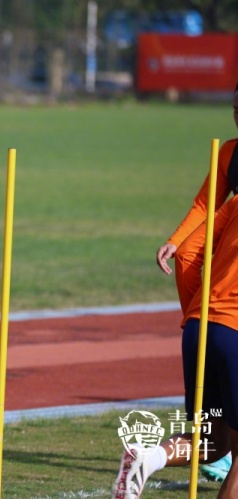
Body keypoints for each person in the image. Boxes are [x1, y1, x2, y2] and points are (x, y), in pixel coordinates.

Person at [113, 193, 238, 498]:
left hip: (199, 326)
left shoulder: (236, 203)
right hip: (234, 331)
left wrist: (198, 311)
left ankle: (148, 458)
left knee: (213, 442)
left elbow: (186, 254)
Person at [154, 85, 238, 483]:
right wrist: (176, 240)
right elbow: (205, 205)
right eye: (235, 108)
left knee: (212, 435)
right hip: (228, 320)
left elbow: (195, 242)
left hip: (207, 324)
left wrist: (195, 318)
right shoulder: (229, 154)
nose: (237, 116)